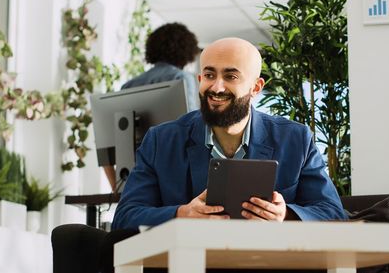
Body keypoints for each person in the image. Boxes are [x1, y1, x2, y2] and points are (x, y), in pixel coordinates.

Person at [111, 37, 347, 230]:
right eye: (210, 75)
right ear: (200, 79)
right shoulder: (160, 141)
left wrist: (286, 214)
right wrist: (181, 213)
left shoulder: (296, 139)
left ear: (256, 88)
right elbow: (126, 216)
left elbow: (333, 213)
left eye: (230, 76)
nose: (217, 87)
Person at [104, 22, 200, 192]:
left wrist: (116, 187)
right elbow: (192, 125)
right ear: (187, 50)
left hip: (138, 172)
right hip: (174, 171)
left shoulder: (129, 85)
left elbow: (117, 137)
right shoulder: (182, 78)